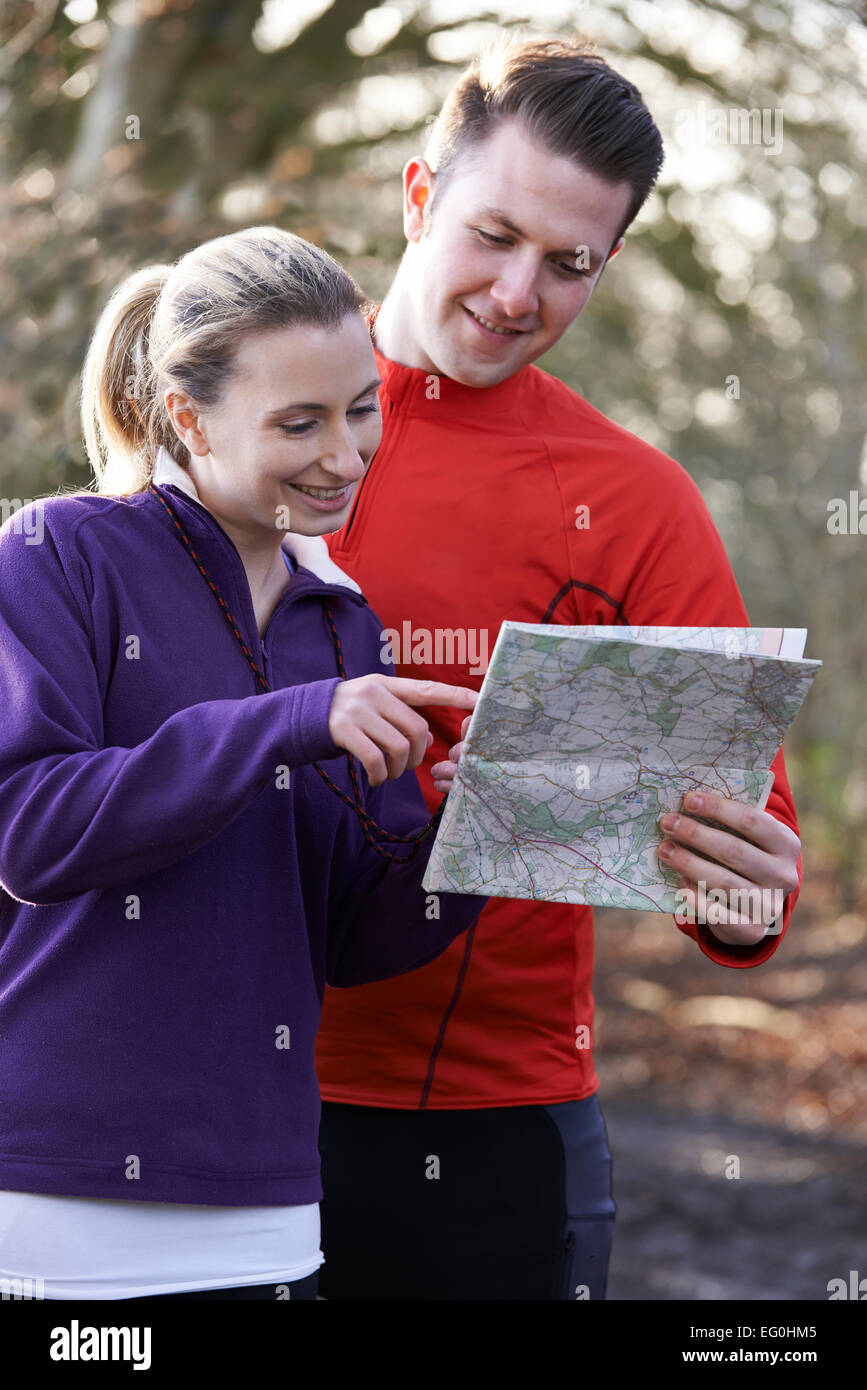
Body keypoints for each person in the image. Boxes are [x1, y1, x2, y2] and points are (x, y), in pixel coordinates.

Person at [313, 35, 803, 1301]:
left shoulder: (636, 501)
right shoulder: (237, 419)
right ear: (418, 196)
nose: (518, 293)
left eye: (568, 263)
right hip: (209, 1098)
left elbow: (748, 869)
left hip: (494, 1132)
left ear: (610, 263)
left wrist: (745, 890)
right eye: (493, 235)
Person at [0, 226, 483, 1300]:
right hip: (54, 1204)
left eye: (362, 407)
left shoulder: (345, 629)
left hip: (268, 1214)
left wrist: (477, 835)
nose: (346, 456)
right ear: (188, 417)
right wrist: (289, 722)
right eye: (299, 423)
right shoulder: (58, 555)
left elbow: (355, 938)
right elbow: (30, 831)